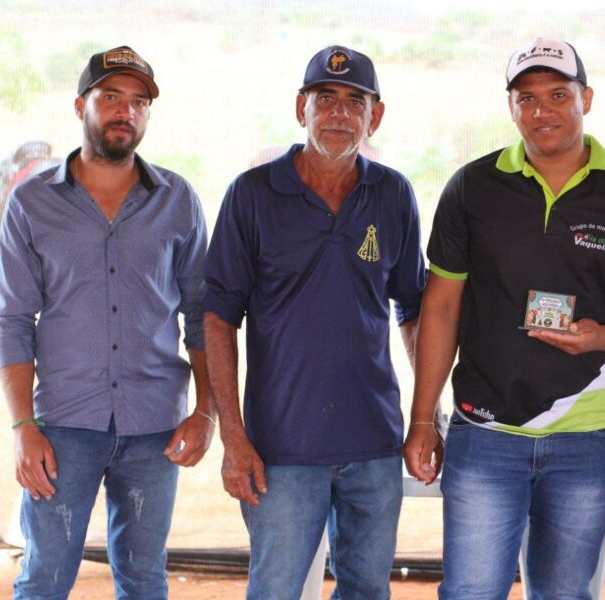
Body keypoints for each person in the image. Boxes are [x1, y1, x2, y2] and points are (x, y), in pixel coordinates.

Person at [403, 37, 605, 599]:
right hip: (485, 431)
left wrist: (602, 337)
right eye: (526, 98)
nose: (542, 111)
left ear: (586, 99)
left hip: (588, 433)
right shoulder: (472, 187)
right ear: (511, 107)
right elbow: (440, 306)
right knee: (470, 592)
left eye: (558, 94)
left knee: (564, 594)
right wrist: (422, 420)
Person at [203, 45, 426, 599]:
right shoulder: (252, 195)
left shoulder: (393, 193)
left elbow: (414, 309)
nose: (339, 114)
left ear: (375, 116)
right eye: (325, 99)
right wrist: (233, 435)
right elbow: (218, 318)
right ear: (300, 107)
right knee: (276, 590)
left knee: (367, 590)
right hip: (280, 447)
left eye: (355, 101)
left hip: (374, 443)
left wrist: (428, 416)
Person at [0, 46, 213, 598]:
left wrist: (205, 411)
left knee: (144, 580)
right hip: (63, 426)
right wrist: (23, 429)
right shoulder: (31, 203)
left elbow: (202, 315)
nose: (125, 111)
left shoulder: (178, 201)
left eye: (139, 102)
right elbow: (13, 319)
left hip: (155, 428)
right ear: (80, 106)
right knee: (43, 579)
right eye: (111, 96)